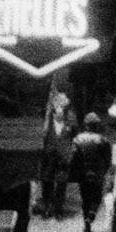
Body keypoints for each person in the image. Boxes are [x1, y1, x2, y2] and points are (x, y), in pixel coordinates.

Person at [71, 113, 112, 232]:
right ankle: (91, 215)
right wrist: (103, 171)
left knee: (85, 199)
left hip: (83, 174)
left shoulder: (77, 139)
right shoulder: (103, 140)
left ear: (86, 125)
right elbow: (108, 159)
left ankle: (86, 226)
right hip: (97, 173)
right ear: (97, 125)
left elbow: (73, 158)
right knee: (97, 198)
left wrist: (76, 172)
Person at [39, 89, 76, 220]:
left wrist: (71, 153)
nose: (60, 108)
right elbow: (42, 137)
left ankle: (58, 210)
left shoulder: (71, 119)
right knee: (47, 183)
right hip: (49, 157)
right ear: (54, 108)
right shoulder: (46, 121)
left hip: (64, 158)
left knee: (61, 185)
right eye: (58, 106)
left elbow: (74, 137)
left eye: (62, 106)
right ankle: (46, 208)